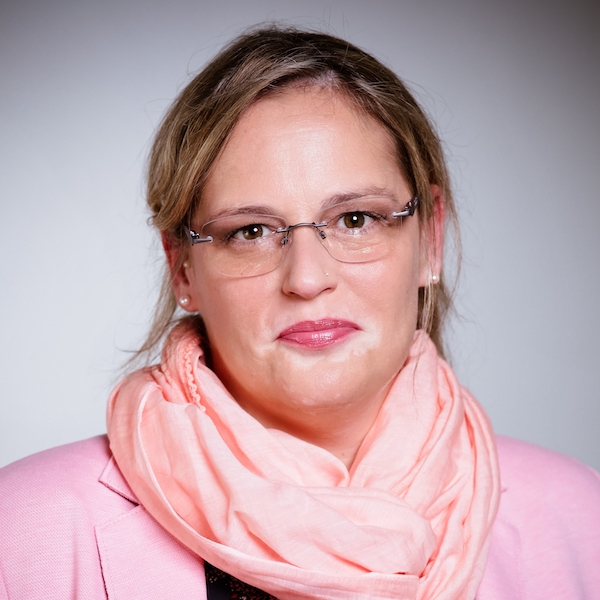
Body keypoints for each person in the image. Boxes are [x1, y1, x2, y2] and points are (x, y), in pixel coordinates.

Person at [1, 26, 599, 600]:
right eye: (252, 231)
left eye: (356, 219)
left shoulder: (580, 517)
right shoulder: (19, 533)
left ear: (430, 240)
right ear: (182, 267)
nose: (308, 279)